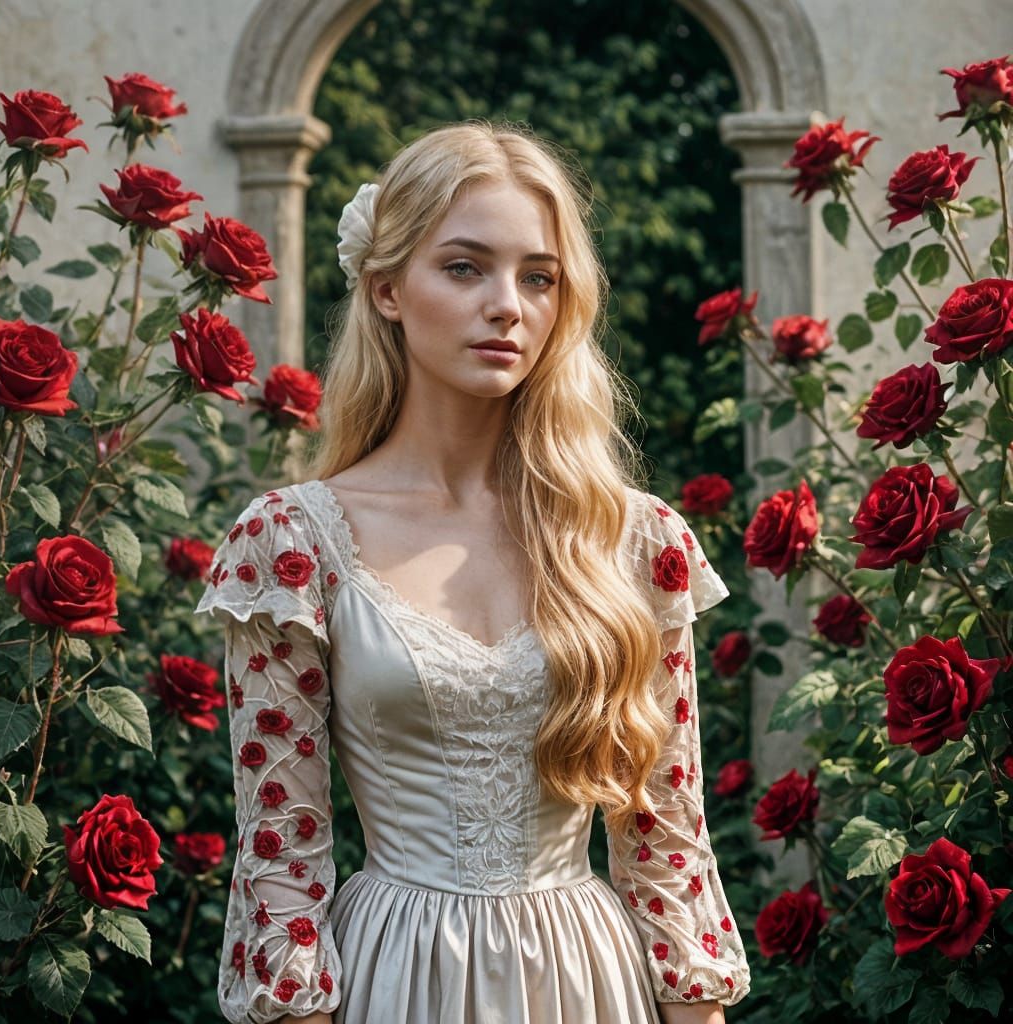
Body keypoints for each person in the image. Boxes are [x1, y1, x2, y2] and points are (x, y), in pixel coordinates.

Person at [195, 119, 751, 1024]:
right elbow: (283, 859)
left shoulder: (632, 540)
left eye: (538, 277)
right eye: (465, 268)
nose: (509, 306)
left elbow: (664, 841)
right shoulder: (293, 544)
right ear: (386, 290)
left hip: (589, 983)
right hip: (396, 979)